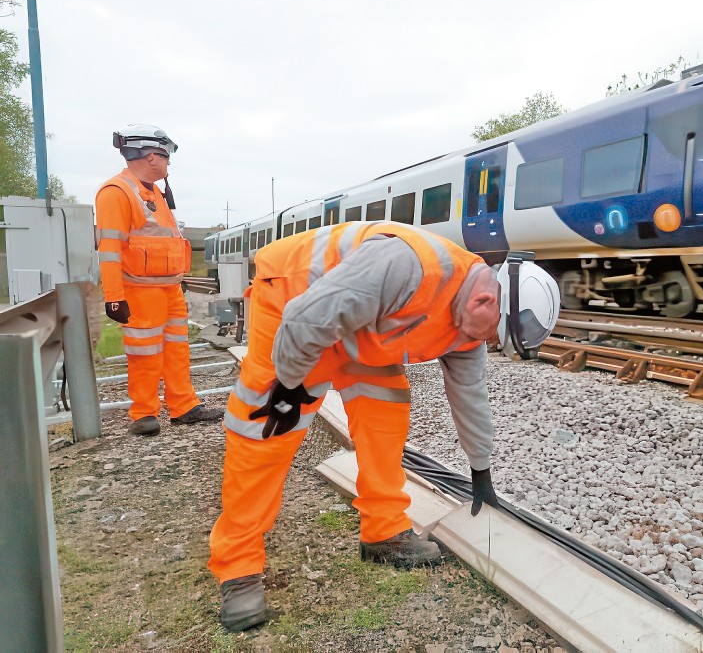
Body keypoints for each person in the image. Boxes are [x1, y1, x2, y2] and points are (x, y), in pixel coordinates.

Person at [207, 221, 559, 632]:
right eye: (495, 339)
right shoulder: (405, 267)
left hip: (359, 326)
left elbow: (470, 395)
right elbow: (306, 322)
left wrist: (481, 469)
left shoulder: (471, 324)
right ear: (484, 300)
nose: (489, 346)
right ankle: (238, 567)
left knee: (386, 413)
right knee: (266, 430)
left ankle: (384, 531)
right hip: (295, 301)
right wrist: (287, 387)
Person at [94, 124, 223, 436]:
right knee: (145, 353)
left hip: (169, 288)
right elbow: (109, 249)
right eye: (166, 158)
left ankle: (184, 406)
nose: (167, 165)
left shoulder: (154, 194)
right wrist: (114, 296)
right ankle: (144, 413)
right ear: (153, 156)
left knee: (177, 349)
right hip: (139, 289)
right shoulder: (116, 192)